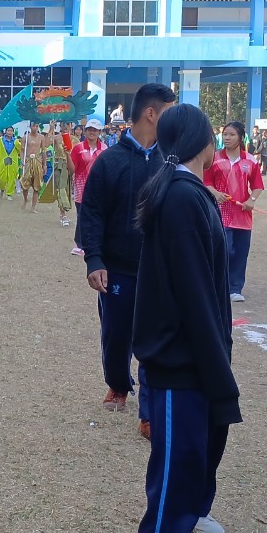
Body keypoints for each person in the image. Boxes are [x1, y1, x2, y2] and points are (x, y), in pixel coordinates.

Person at [130, 104, 240, 533]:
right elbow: (193, 290)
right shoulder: (180, 197)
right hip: (180, 353)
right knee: (180, 453)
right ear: (203, 141)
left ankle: (195, 509)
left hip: (202, 346)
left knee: (207, 439)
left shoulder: (191, 192)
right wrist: (212, 357)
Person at [81, 83, 177, 438]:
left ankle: (149, 412)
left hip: (159, 270)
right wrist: (95, 259)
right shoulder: (110, 161)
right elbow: (91, 213)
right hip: (118, 268)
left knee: (155, 340)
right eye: (169, 111)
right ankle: (118, 384)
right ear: (151, 113)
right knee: (116, 334)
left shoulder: (172, 161)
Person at [203, 121, 264, 303]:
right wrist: (215, 193)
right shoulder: (214, 158)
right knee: (225, 250)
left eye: (231, 134)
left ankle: (235, 288)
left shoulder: (250, 160)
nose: (227, 138)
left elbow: (257, 185)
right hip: (220, 215)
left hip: (243, 216)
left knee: (240, 253)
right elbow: (206, 182)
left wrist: (251, 200)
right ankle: (220, 285)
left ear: (241, 137)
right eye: (225, 134)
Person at [70, 119, 107, 257]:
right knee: (82, 216)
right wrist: (67, 154)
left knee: (97, 216)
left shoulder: (105, 149)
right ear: (85, 131)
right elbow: (72, 169)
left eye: (95, 130)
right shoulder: (78, 148)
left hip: (99, 188)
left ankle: (96, 243)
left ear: (99, 132)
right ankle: (79, 244)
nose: (92, 132)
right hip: (81, 187)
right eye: (90, 129)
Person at [47, 123, 73, 227]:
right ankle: (63, 214)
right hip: (59, 166)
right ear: (60, 126)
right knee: (61, 188)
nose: (65, 126)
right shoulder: (56, 137)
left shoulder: (75, 139)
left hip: (71, 166)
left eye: (68, 124)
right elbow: (45, 144)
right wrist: (51, 129)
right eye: (63, 124)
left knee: (68, 189)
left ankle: (64, 212)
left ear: (71, 125)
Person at [19, 123, 48, 212]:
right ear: (30, 126)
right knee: (25, 183)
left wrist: (44, 164)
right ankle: (25, 199)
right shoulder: (25, 137)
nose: (35, 128)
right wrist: (22, 160)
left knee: (37, 184)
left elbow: (43, 151)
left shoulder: (41, 137)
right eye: (33, 126)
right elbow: (22, 150)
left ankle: (33, 207)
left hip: (37, 161)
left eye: (36, 126)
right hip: (28, 161)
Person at [0, 126, 22, 201]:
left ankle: (9, 194)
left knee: (12, 179)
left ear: (13, 132)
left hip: (13, 163)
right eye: (8, 130)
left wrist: (18, 143)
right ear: (5, 132)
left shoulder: (16, 141)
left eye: (11, 131)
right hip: (3, 162)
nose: (10, 132)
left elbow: (20, 150)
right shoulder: (1, 140)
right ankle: (2, 190)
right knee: (2, 179)